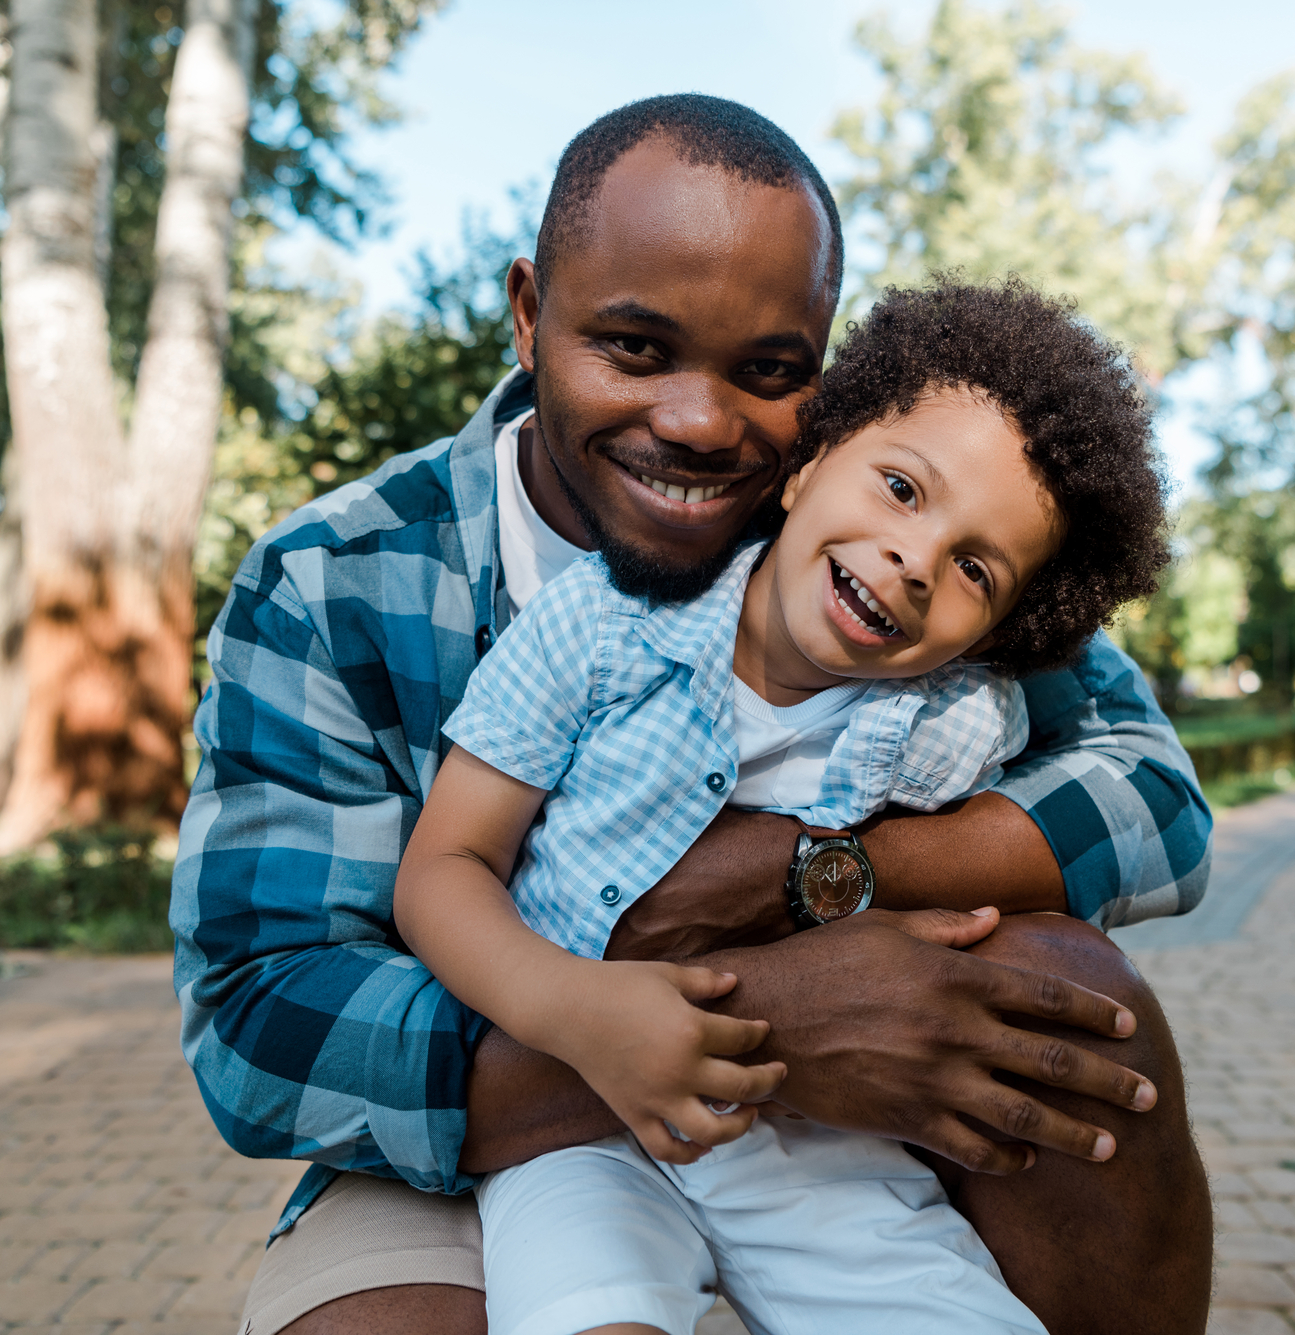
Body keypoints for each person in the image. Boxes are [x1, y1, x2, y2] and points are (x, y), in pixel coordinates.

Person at [174, 95, 1215, 1335]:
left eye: (768, 373)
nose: (699, 422)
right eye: (631, 348)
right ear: (525, 316)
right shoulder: (338, 576)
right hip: (512, 1112)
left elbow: (1154, 797)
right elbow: (264, 1021)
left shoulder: (882, 549)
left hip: (839, 1148)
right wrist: (760, 1019)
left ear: (822, 395)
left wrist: (822, 874)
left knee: (1075, 1002)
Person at [394, 278, 1168, 1335]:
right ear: (809, 461)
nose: (913, 561)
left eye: (974, 569)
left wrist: (873, 902)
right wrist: (575, 1010)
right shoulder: (597, 629)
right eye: (901, 489)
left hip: (813, 1140)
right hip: (579, 1129)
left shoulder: (956, 722)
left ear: (994, 633)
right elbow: (445, 868)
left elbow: (1151, 793)